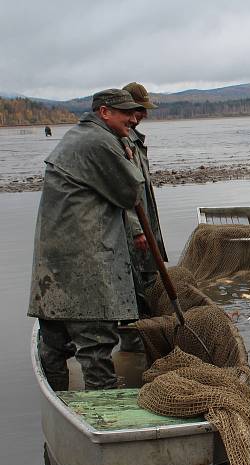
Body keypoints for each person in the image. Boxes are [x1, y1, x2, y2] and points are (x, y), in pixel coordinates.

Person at [28, 89, 145, 391]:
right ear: (105, 112)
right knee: (96, 346)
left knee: (53, 345)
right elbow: (130, 193)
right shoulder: (100, 141)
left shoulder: (76, 136)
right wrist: (128, 158)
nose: (133, 118)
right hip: (85, 268)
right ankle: (106, 417)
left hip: (52, 269)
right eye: (127, 113)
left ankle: (59, 402)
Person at [121, 82, 166, 316]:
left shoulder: (134, 139)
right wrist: (138, 229)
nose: (143, 115)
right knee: (136, 282)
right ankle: (137, 334)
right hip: (134, 231)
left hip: (145, 225)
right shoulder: (121, 139)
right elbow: (125, 190)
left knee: (148, 277)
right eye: (139, 109)